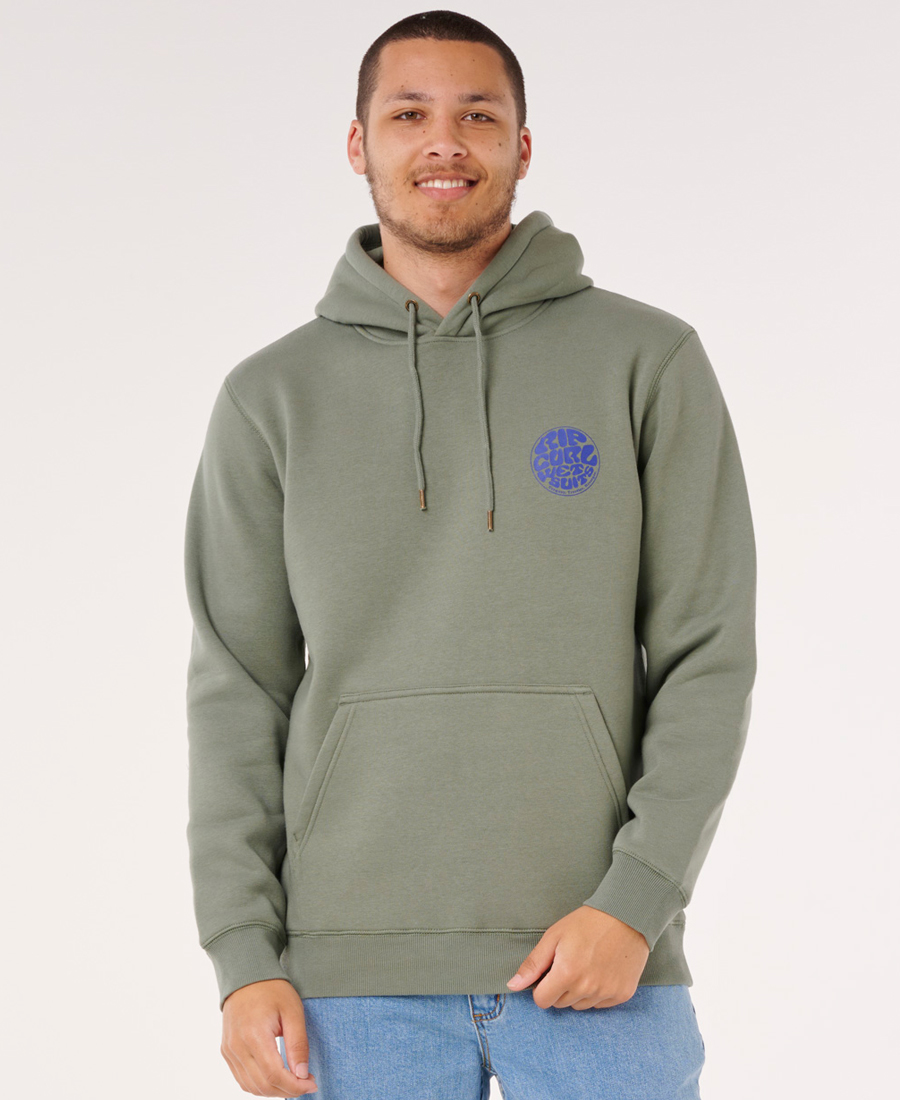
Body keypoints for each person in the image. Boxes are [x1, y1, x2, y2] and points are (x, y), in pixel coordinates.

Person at [183, 10, 757, 1098]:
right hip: (347, 985)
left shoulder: (647, 359)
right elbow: (237, 690)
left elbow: (708, 654)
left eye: (478, 116)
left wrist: (636, 900)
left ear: (522, 146)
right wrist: (241, 956)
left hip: (600, 961)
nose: (443, 142)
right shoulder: (271, 398)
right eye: (408, 114)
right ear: (358, 144)